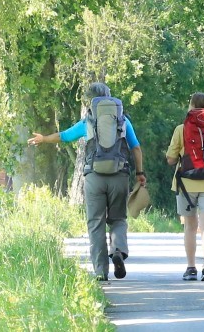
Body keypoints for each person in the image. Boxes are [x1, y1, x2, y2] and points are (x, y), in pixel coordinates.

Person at [29, 82, 145, 281]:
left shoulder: (88, 122)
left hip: (94, 177)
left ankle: (101, 271)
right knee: (118, 219)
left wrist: (44, 139)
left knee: (95, 223)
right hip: (119, 175)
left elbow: (64, 136)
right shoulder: (123, 121)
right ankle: (117, 250)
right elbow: (136, 148)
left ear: (91, 101)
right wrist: (140, 173)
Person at [166, 92, 204, 281]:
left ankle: (191, 267)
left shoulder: (181, 129)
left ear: (191, 106)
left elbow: (170, 159)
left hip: (186, 183)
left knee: (190, 227)